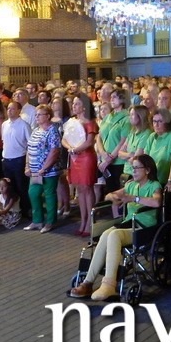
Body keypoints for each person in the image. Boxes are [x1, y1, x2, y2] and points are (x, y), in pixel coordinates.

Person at [69, 154, 163, 301]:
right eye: (132, 168)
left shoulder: (154, 186)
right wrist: (113, 196)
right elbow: (110, 196)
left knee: (114, 235)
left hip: (145, 228)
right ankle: (88, 282)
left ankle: (108, 285)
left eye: (137, 168)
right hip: (129, 224)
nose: (133, 171)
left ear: (147, 170)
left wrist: (133, 198)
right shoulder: (131, 185)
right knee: (106, 233)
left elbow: (157, 202)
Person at [64, 95, 98, 237]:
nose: (74, 106)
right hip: (74, 157)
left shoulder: (90, 122)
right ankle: (83, 220)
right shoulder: (72, 122)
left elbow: (89, 142)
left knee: (87, 188)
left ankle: (90, 221)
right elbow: (64, 139)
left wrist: (74, 150)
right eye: (73, 103)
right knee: (79, 188)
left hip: (86, 157)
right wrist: (70, 148)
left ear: (84, 107)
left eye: (77, 103)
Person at [24, 104, 61, 233]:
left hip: (49, 171)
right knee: (33, 193)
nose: (37, 117)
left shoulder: (52, 131)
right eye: (36, 115)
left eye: (40, 114)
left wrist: (45, 168)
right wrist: (27, 165)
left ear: (48, 116)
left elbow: (54, 151)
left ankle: (50, 222)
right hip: (34, 170)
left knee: (49, 195)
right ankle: (37, 220)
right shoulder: (35, 130)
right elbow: (29, 148)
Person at [1, 101, 32, 220]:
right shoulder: (4, 124)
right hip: (6, 160)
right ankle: (14, 211)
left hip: (19, 159)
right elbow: (4, 142)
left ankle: (25, 211)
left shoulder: (24, 125)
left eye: (12, 109)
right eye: (8, 108)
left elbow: (30, 144)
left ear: (19, 111)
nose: (9, 111)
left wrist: (27, 163)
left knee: (21, 187)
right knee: (10, 187)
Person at [96, 88, 130, 196]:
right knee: (110, 192)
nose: (111, 99)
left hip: (118, 162)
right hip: (105, 159)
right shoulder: (108, 117)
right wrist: (103, 153)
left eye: (114, 97)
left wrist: (108, 160)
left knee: (118, 193)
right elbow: (99, 137)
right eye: (111, 97)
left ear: (122, 99)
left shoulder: (127, 118)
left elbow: (123, 141)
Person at [144, 107, 171, 188]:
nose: (156, 124)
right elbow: (145, 159)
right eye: (154, 121)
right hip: (151, 181)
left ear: (167, 123)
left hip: (166, 183)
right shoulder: (152, 136)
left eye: (160, 121)